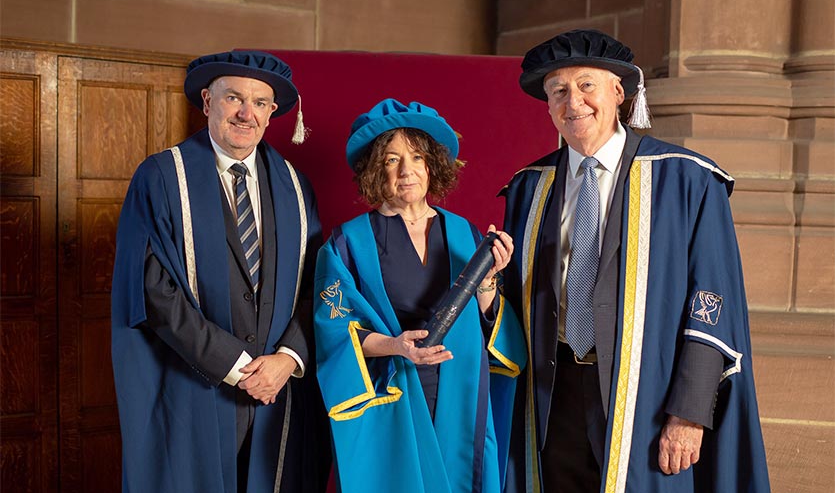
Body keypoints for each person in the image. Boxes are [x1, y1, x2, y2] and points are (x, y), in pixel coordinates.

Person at [500, 30, 770, 492]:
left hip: (648, 395)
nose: (574, 102)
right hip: (551, 396)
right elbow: (514, 299)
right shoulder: (530, 187)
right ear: (547, 105)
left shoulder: (686, 179)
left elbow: (713, 299)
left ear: (619, 94)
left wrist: (688, 411)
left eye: (587, 85)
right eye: (559, 91)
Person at [111, 50, 329, 493]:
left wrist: (287, 360)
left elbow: (319, 285)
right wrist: (238, 366)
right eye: (234, 98)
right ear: (208, 102)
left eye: (260, 103)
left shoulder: (294, 184)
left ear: (272, 114)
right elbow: (153, 288)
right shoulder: (162, 178)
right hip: (194, 385)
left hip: (277, 391)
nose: (247, 113)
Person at [313, 98, 527, 492]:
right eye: (392, 160)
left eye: (416, 157)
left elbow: (489, 318)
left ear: (433, 165)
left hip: (459, 385)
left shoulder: (467, 235)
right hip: (395, 388)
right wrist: (397, 346)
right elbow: (335, 332)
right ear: (377, 170)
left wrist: (488, 281)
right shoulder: (349, 243)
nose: (407, 171)